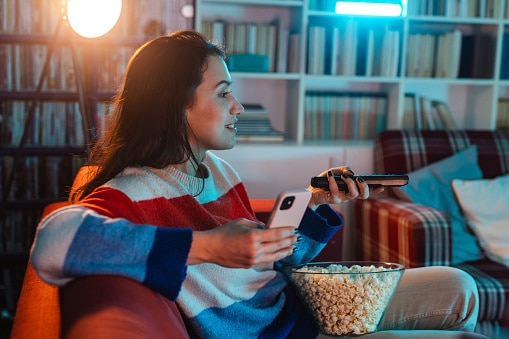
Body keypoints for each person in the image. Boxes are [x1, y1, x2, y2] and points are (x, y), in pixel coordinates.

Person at [30, 30, 483, 338]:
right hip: (283, 332)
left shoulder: (220, 172)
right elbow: (53, 242)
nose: (239, 107)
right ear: (176, 106)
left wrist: (320, 199)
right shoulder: (132, 194)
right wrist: (209, 246)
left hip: (300, 308)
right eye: (223, 92)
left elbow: (269, 264)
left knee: (460, 286)